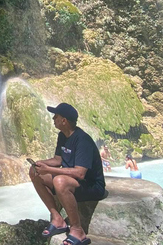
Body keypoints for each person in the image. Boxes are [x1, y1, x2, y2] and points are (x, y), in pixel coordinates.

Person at [29, 103, 106, 245]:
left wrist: (49, 170)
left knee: (59, 181)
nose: (53, 119)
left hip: (92, 186)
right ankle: (57, 219)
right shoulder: (63, 136)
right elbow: (58, 159)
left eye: (56, 116)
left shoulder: (83, 140)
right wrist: (41, 164)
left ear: (64, 121)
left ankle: (78, 231)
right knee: (35, 173)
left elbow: (80, 173)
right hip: (72, 181)